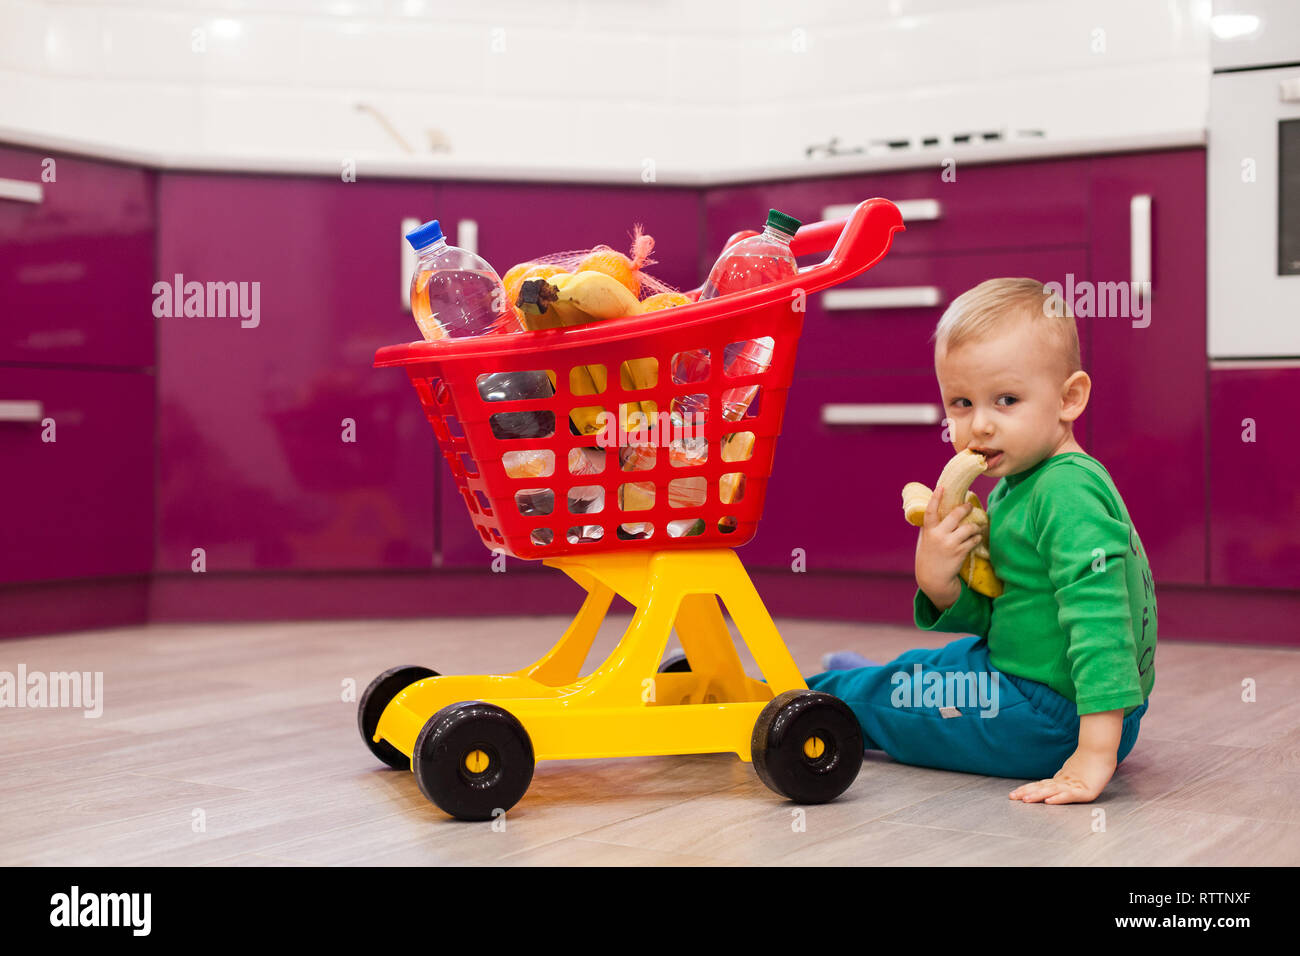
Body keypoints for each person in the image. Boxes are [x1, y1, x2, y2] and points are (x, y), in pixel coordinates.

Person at [807, 277, 1155, 805]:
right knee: (934, 666)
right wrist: (940, 580)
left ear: (1069, 399)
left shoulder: (1065, 491)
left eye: (1006, 400)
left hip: (1051, 716)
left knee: (892, 702)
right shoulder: (1016, 486)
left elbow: (1102, 618)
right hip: (1047, 689)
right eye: (962, 403)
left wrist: (1094, 751)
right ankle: (872, 683)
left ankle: (798, 698)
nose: (980, 426)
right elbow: (1005, 616)